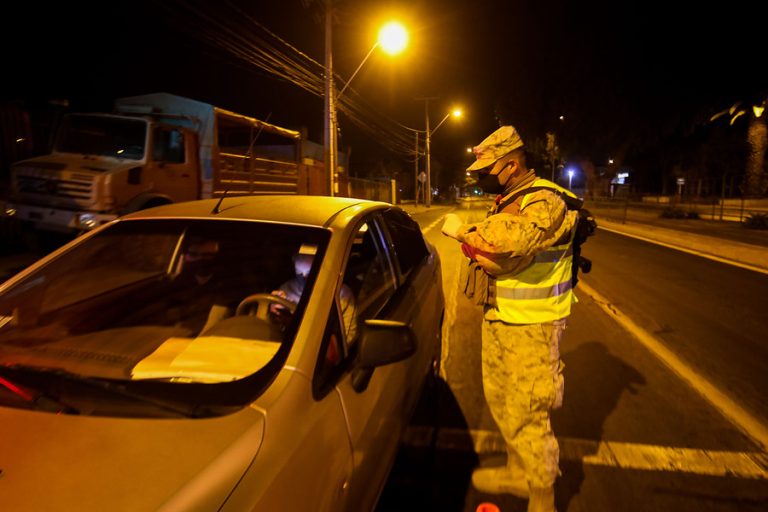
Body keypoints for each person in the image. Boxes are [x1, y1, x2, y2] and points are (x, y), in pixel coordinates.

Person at [441, 125, 578, 512]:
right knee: (502, 402)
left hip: (532, 326)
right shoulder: (510, 198)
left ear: (512, 165)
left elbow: (511, 240)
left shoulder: (545, 199)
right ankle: (520, 472)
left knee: (528, 411)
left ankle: (542, 496)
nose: (482, 176)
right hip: (504, 317)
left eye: (488, 168)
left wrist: (463, 231)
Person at [272, 244, 357, 342]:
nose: (304, 279)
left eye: (309, 274)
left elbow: (348, 338)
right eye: (299, 273)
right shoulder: (286, 289)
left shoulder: (340, 294)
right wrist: (274, 313)